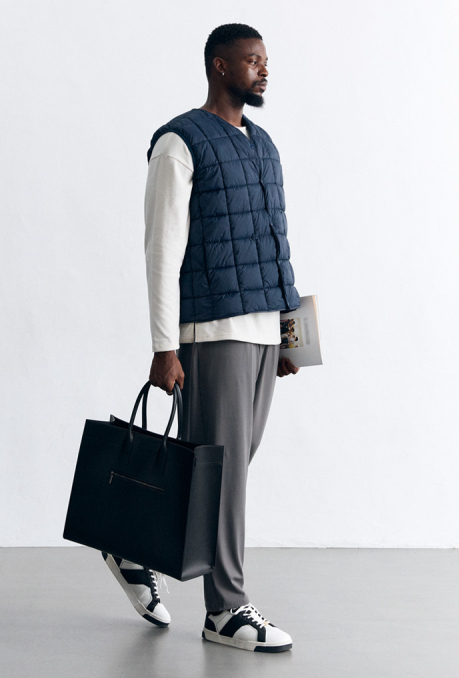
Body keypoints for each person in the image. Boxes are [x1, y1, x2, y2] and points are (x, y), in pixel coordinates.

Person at [103, 23, 301, 654]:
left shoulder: (264, 145)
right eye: (252, 60)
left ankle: (130, 545)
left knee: (225, 469)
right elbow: (162, 250)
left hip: (262, 330)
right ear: (219, 66)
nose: (263, 70)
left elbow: (273, 240)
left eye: (266, 61)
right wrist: (165, 345)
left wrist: (288, 334)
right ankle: (226, 609)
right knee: (224, 474)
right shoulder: (179, 142)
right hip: (212, 332)